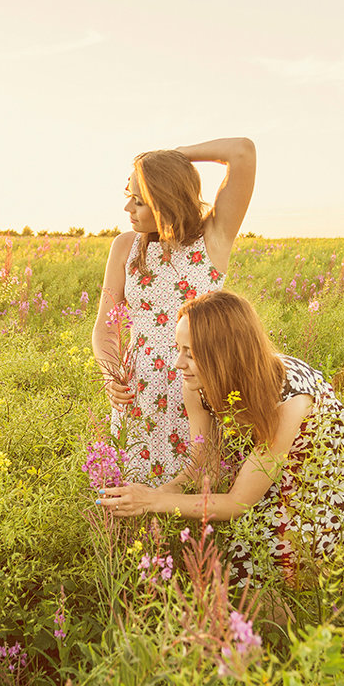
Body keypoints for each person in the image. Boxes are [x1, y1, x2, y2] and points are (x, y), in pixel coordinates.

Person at [97, 289, 344, 588]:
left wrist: (154, 501)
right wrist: (149, 496)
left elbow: (238, 503)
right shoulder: (196, 384)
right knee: (241, 557)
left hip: (320, 482)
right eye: (178, 348)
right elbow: (204, 467)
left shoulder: (289, 398)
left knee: (264, 570)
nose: (177, 363)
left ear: (224, 355)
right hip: (267, 466)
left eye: (191, 353)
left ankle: (296, 621)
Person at [91, 138, 256, 486]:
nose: (127, 209)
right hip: (138, 390)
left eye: (139, 200)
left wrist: (173, 159)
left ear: (166, 200)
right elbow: (106, 327)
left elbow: (242, 151)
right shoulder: (125, 247)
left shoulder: (214, 235)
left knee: (204, 481)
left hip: (201, 381)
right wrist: (110, 375)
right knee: (136, 484)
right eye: (128, 195)